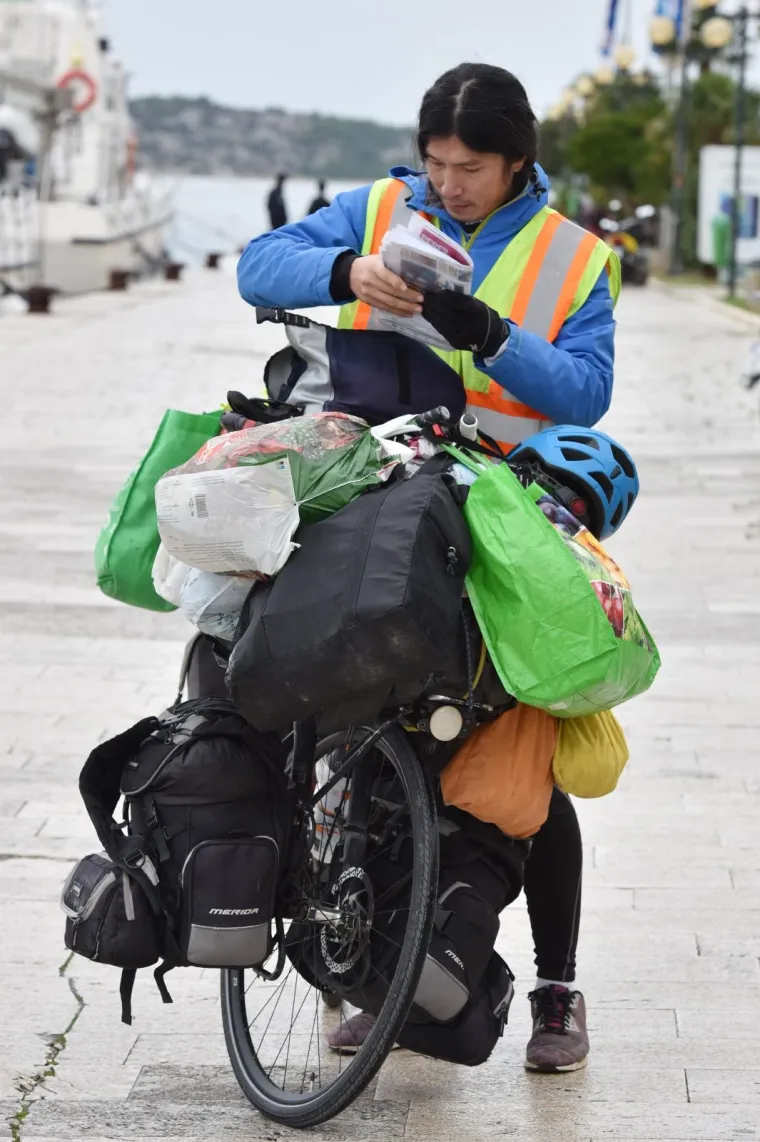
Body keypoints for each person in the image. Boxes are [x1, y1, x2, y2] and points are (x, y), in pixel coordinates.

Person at [238, 61, 621, 1074]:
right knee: (369, 733)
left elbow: (584, 391)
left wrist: (489, 335)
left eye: (472, 167)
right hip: (380, 509)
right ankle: (385, 971)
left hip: (502, 524)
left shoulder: (573, 257)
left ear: (517, 160)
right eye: (436, 163)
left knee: (519, 761)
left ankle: (555, 987)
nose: (449, 185)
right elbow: (256, 265)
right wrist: (343, 273)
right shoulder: (375, 210)